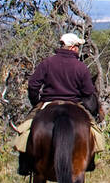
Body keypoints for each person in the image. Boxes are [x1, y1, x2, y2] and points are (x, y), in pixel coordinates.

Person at [14, 33, 105, 173]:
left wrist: (36, 102)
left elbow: (33, 85)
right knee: (94, 131)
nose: (79, 50)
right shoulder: (81, 67)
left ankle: (24, 164)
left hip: (47, 102)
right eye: (78, 47)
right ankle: (90, 161)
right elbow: (88, 93)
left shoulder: (47, 63)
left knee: (25, 129)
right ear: (73, 48)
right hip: (74, 103)